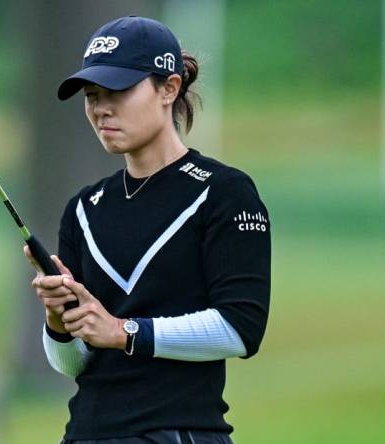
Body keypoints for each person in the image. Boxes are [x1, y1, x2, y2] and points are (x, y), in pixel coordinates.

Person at [23, 16, 271, 444]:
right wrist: (59, 320)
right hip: (86, 434)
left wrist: (124, 332)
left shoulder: (224, 192)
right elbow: (73, 363)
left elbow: (239, 329)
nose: (101, 108)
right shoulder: (83, 208)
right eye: (92, 95)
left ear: (169, 89)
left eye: (118, 91)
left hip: (179, 432)